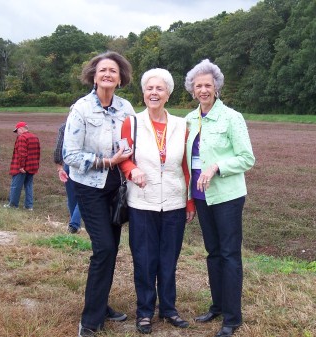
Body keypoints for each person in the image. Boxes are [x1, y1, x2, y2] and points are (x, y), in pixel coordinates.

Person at [62, 51, 136, 337]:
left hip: (116, 189)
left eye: (113, 71)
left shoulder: (125, 108)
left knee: (110, 249)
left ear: (120, 78)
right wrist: (107, 162)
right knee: (104, 247)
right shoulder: (80, 109)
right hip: (89, 188)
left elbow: (132, 144)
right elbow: (70, 154)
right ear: (94, 75)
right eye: (103, 70)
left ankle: (101, 303)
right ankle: (90, 321)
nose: (108, 74)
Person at [119, 68, 195, 334]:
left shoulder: (181, 125)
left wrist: (189, 201)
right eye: (150, 88)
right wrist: (132, 170)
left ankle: (169, 309)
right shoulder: (132, 123)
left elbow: (185, 165)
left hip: (174, 202)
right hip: (142, 202)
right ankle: (144, 312)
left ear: (168, 94)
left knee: (168, 259)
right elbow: (123, 157)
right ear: (143, 93)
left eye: (159, 89)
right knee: (144, 259)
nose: (154, 93)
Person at [184, 59, 255, 337]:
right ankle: (217, 305)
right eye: (198, 85)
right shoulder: (190, 119)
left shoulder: (231, 117)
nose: (203, 90)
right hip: (202, 197)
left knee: (229, 254)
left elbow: (247, 158)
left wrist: (217, 167)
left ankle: (232, 317)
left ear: (217, 87)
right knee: (212, 253)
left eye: (208, 85)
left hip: (227, 196)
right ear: (192, 89)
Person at [4, 121, 40, 210]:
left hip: (22, 168)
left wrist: (21, 166)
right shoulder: (35, 137)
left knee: (15, 186)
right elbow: (37, 153)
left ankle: (13, 205)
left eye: (17, 131)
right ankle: (29, 206)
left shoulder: (22, 138)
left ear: (21, 129)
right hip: (32, 166)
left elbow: (22, 153)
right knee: (28, 186)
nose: (17, 133)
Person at [53, 122, 82, 234]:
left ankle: (74, 224)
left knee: (72, 196)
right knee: (84, 195)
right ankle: (74, 224)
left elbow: (58, 148)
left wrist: (59, 166)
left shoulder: (64, 127)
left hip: (69, 164)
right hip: (84, 164)